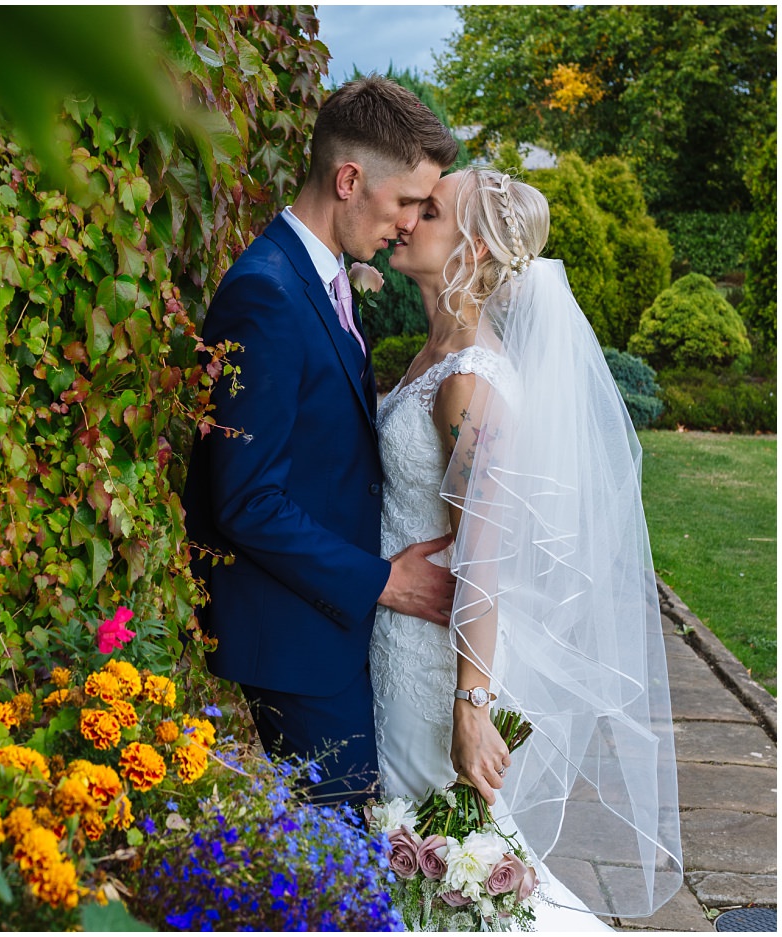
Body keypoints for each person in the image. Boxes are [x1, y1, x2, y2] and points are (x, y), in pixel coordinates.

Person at [370, 167, 683, 925]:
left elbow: (483, 557)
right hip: (397, 632)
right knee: (423, 873)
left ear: (471, 248)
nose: (408, 217)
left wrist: (471, 704)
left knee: (439, 873)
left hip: (433, 663)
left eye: (430, 209)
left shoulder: (471, 383)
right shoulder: (435, 356)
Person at [182, 75, 461, 800]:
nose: (408, 223)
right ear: (348, 178)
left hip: (331, 633)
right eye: (405, 201)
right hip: (295, 642)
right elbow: (246, 499)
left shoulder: (324, 277)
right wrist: (384, 580)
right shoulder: (265, 293)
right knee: (345, 869)